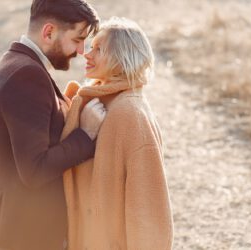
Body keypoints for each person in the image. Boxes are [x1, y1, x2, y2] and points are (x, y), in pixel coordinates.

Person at [0, 0, 105, 249]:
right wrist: (85, 135)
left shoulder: (14, 64)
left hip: (19, 229)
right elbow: (34, 170)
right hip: (28, 233)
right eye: (78, 39)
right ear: (49, 32)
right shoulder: (26, 76)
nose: (81, 50)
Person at [60, 17, 173, 249]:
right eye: (91, 47)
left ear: (122, 57)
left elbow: (149, 208)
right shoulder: (96, 103)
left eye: (99, 49)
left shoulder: (130, 113)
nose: (87, 54)